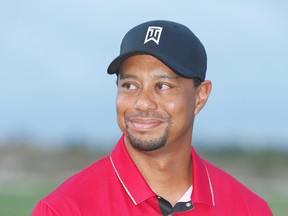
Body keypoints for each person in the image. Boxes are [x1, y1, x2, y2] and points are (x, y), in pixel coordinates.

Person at [31, 20, 273, 216]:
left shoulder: (249, 209)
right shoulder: (62, 210)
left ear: (200, 96)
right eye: (129, 85)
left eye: (163, 86)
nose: (143, 102)